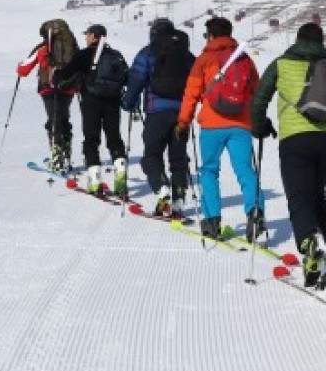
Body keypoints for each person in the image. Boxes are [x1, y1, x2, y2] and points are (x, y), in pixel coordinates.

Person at [250, 22, 326, 288]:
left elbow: (259, 99)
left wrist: (259, 127)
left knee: (299, 199)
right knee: (319, 196)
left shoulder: (281, 64)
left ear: (297, 40)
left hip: (295, 140)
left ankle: (309, 243)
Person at [177, 17, 263, 239]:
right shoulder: (244, 59)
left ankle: (212, 221)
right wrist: (257, 119)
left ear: (211, 35)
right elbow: (257, 91)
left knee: (209, 171)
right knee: (245, 171)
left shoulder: (204, 59)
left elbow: (191, 93)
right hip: (240, 124)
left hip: (212, 125)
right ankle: (255, 215)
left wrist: (183, 122)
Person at [120, 18, 195, 216]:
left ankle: (162, 189)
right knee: (178, 158)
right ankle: (179, 199)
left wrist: (128, 102)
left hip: (157, 112)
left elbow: (136, 79)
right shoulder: (186, 54)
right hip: (182, 113)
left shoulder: (148, 52)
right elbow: (197, 80)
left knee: (152, 155)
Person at [56, 24, 129, 195]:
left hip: (91, 101)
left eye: (87, 34)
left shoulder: (84, 54)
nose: (86, 37)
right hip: (112, 101)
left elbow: (67, 72)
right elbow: (126, 77)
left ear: (94, 36)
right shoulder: (115, 55)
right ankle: (120, 179)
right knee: (114, 139)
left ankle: (95, 181)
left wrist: (57, 76)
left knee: (91, 139)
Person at [17, 22, 76, 173]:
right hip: (68, 88)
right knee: (64, 118)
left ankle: (57, 157)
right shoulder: (70, 47)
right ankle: (66, 154)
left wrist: (19, 66)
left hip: (48, 88)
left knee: (53, 119)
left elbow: (23, 70)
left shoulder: (42, 48)